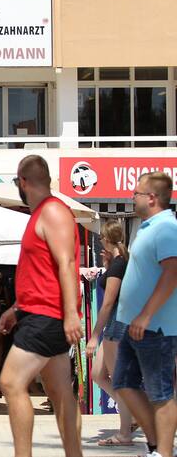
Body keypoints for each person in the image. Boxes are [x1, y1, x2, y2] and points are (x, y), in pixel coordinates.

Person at [0, 155, 83, 457]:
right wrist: (16, 309)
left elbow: (67, 263)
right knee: (60, 394)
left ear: (23, 182)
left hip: (47, 316)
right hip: (38, 312)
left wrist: (71, 314)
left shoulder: (53, 212)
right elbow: (40, 273)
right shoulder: (41, 215)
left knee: (10, 382)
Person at [112, 171, 177, 457]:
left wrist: (146, 315)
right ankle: (155, 446)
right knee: (123, 382)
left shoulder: (165, 228)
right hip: (134, 325)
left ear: (151, 198)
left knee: (160, 394)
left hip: (155, 327)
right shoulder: (149, 227)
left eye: (136, 193)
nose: (132, 197)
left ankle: (163, 453)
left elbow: (172, 272)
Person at [85, 220, 135, 446]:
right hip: (116, 324)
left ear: (106, 238)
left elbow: (107, 304)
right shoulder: (117, 262)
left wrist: (94, 336)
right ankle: (133, 415)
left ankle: (125, 432)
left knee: (119, 381)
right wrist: (106, 262)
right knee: (97, 374)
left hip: (117, 324)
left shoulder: (119, 265)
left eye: (100, 238)